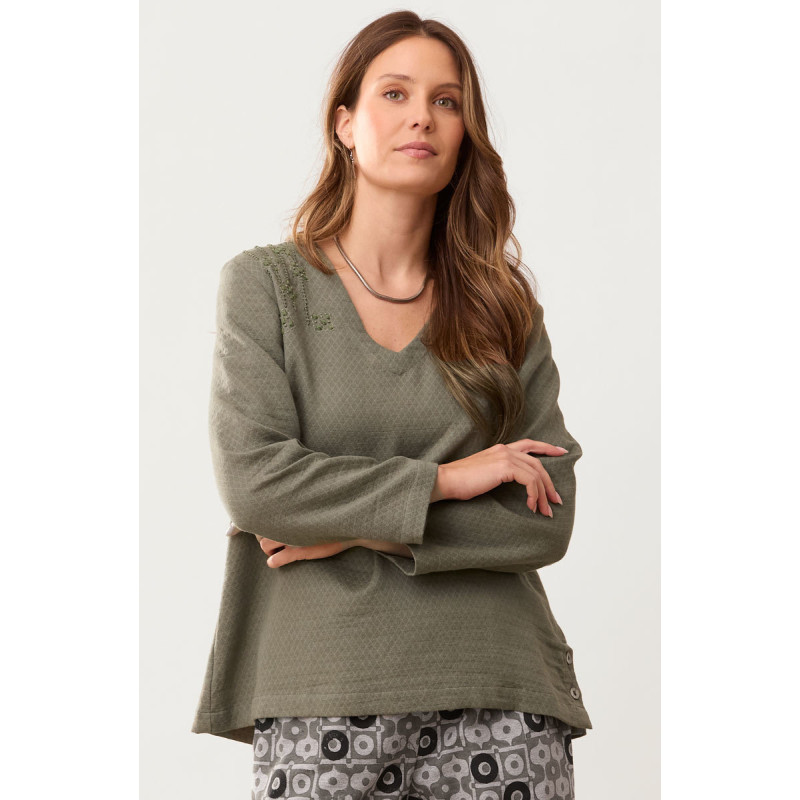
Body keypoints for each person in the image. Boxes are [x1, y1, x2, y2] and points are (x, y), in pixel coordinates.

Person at [191, 10, 592, 800]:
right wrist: (449, 480)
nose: (422, 117)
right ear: (345, 123)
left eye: (447, 101)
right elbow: (257, 485)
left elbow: (547, 516)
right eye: (395, 93)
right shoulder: (266, 287)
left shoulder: (503, 307)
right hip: (321, 688)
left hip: (501, 686)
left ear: (465, 131)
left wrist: (347, 529)